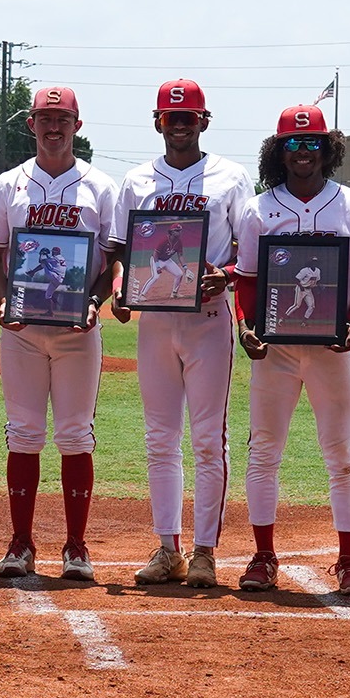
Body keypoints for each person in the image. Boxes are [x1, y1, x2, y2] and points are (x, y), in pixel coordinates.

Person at [107, 80, 248, 588]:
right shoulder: (137, 180)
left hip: (208, 318)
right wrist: (122, 287)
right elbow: (123, 251)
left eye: (189, 116)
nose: (180, 123)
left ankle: (206, 551)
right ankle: (168, 548)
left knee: (209, 438)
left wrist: (226, 276)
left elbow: (246, 254)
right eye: (172, 116)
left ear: (204, 121)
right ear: (157, 121)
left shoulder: (231, 177)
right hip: (156, 320)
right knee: (160, 438)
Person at [231, 104, 350, 595]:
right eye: (293, 144)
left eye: (312, 142)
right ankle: (263, 555)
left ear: (328, 148)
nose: (303, 152)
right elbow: (247, 281)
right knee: (264, 451)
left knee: (341, 453)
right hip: (276, 350)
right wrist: (246, 327)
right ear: (279, 150)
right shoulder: (259, 207)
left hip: (331, 350)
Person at [0, 86, 118, 581]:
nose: (53, 127)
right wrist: (1, 301)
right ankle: (21, 543)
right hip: (21, 329)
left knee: (76, 434)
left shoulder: (101, 186)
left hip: (79, 330)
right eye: (44, 118)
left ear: (77, 126)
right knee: (24, 434)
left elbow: (113, 258)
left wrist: (96, 301)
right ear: (30, 124)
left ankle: (76, 546)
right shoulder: (9, 184)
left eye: (62, 118)